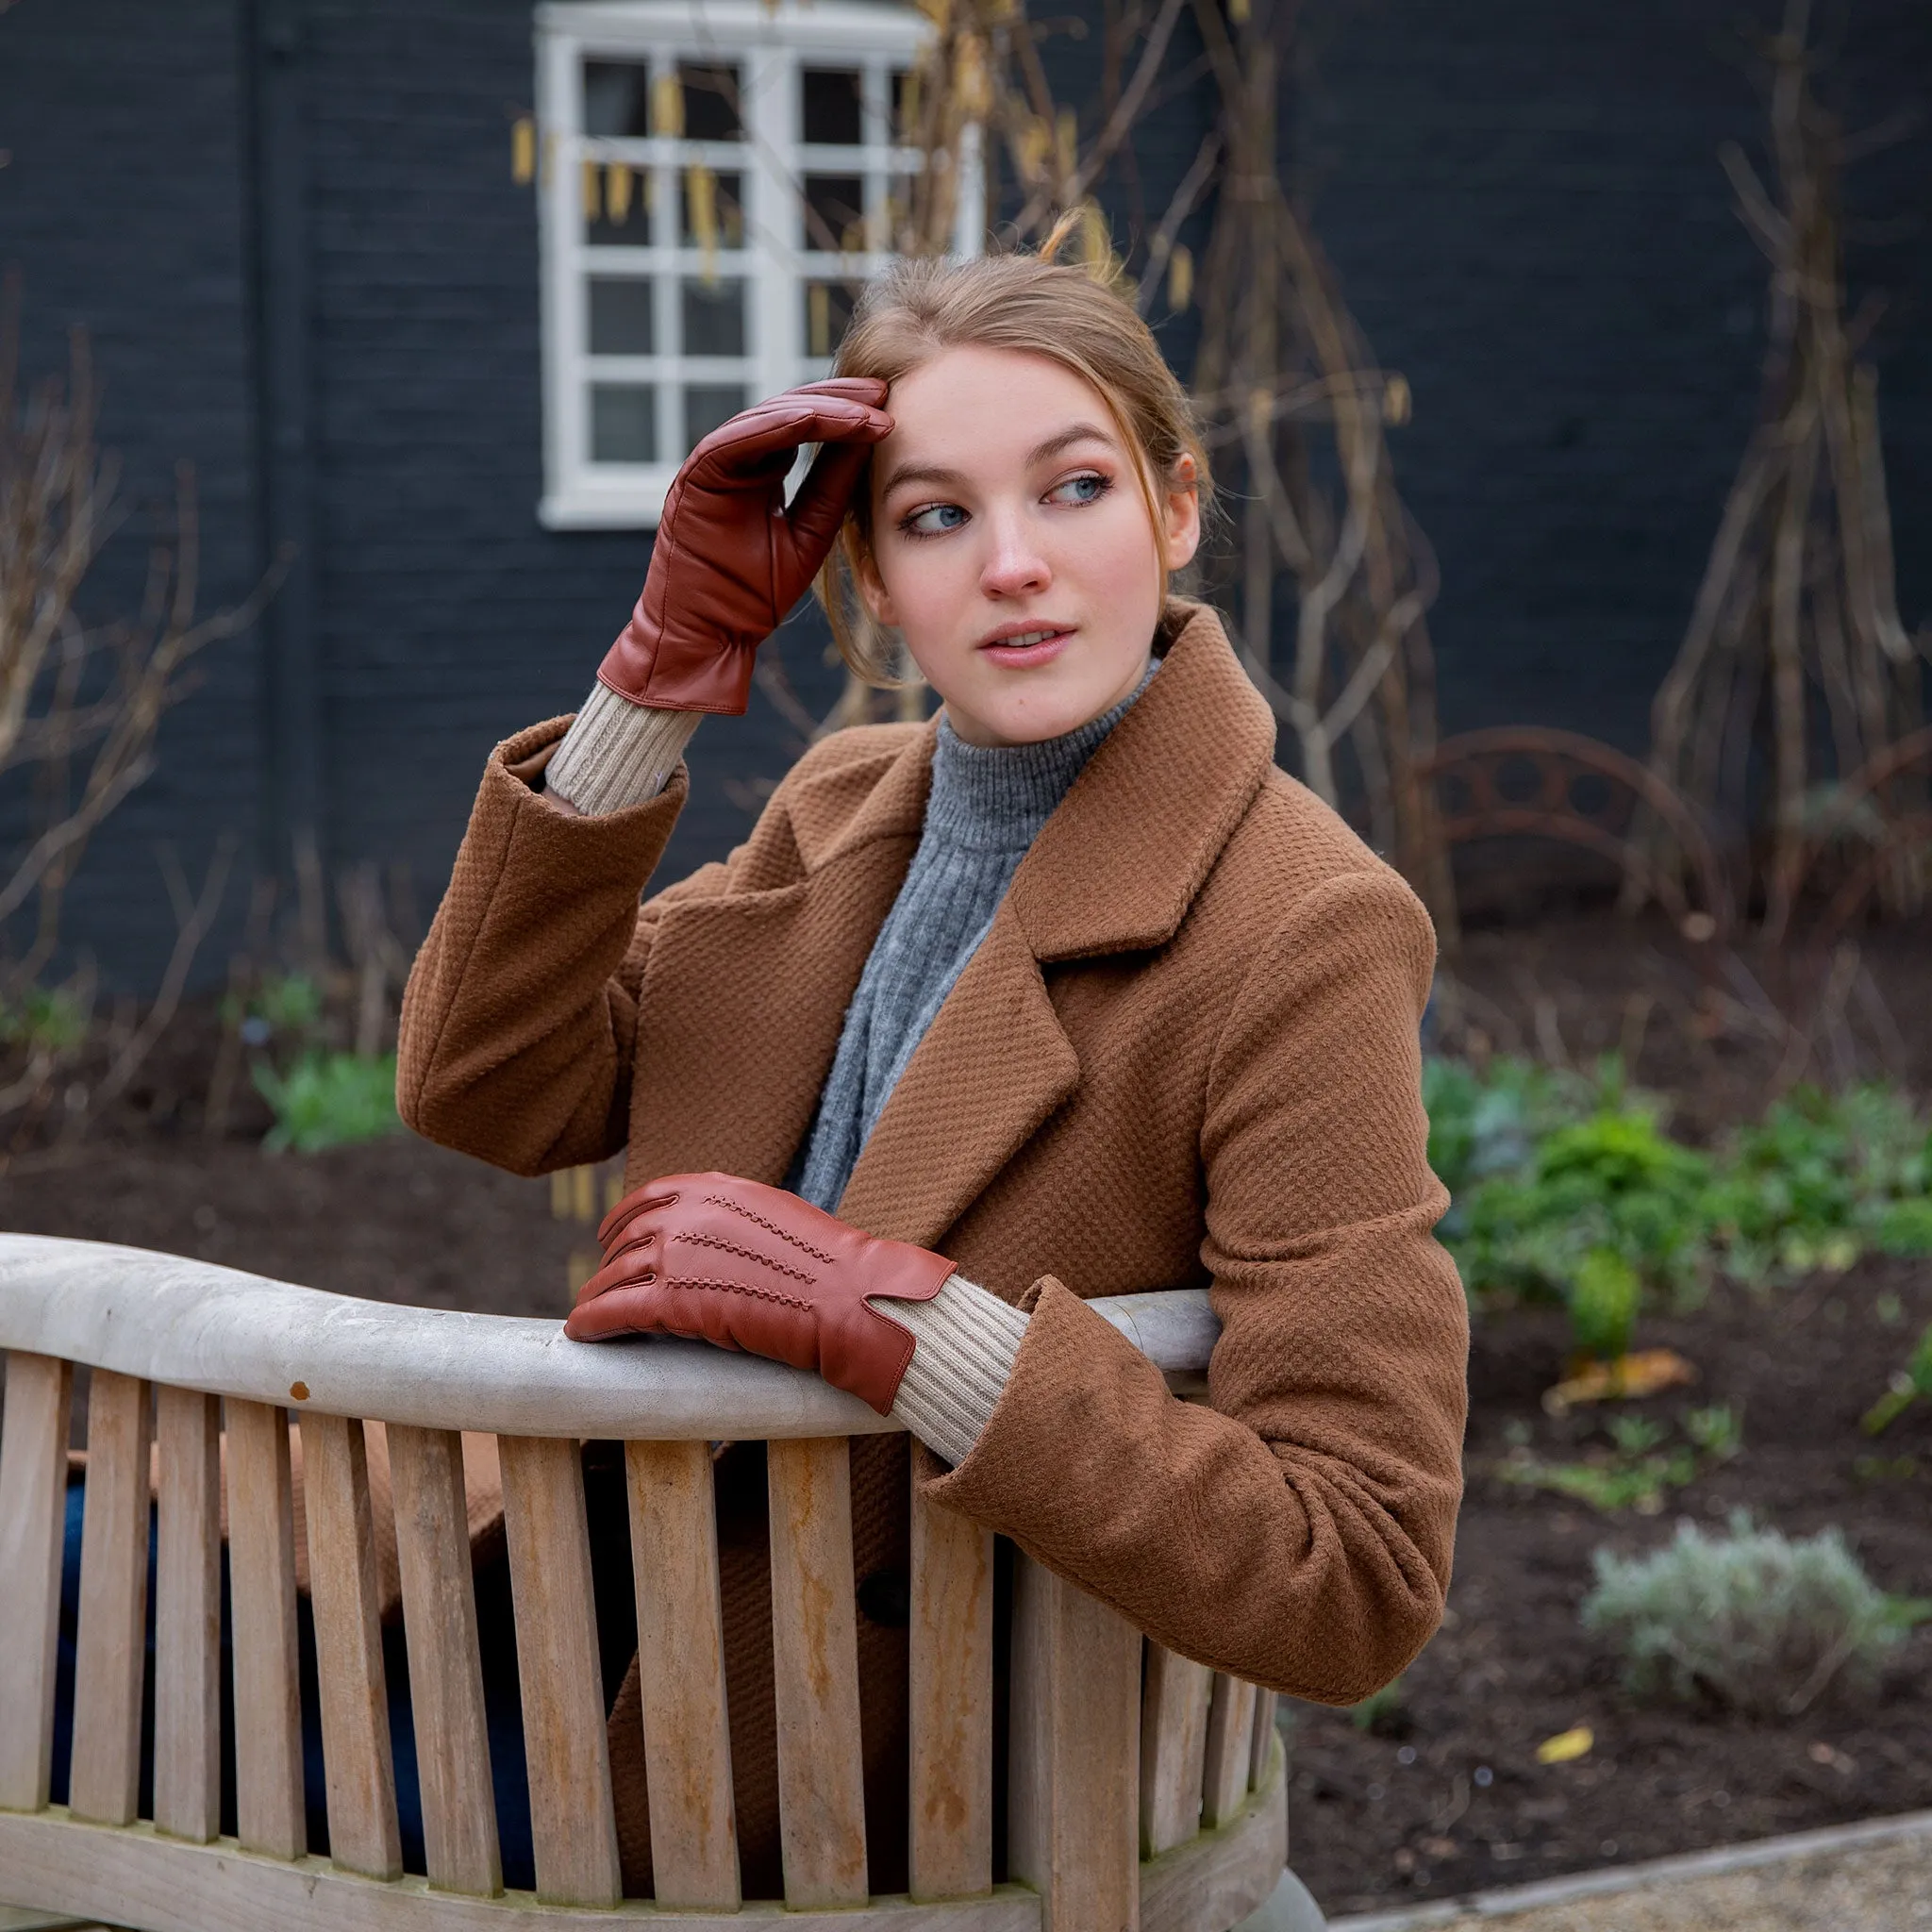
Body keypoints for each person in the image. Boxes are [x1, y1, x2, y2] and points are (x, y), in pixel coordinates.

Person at [398, 232, 1469, 1900]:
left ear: (1176, 513)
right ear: (872, 583)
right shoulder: (845, 804)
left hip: (895, 1793)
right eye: (938, 515)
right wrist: (656, 679)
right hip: (566, 1670)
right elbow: (488, 1082)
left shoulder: (1301, 924)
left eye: (1075, 489)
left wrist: (910, 1332)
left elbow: (1354, 1574)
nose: (1015, 565)